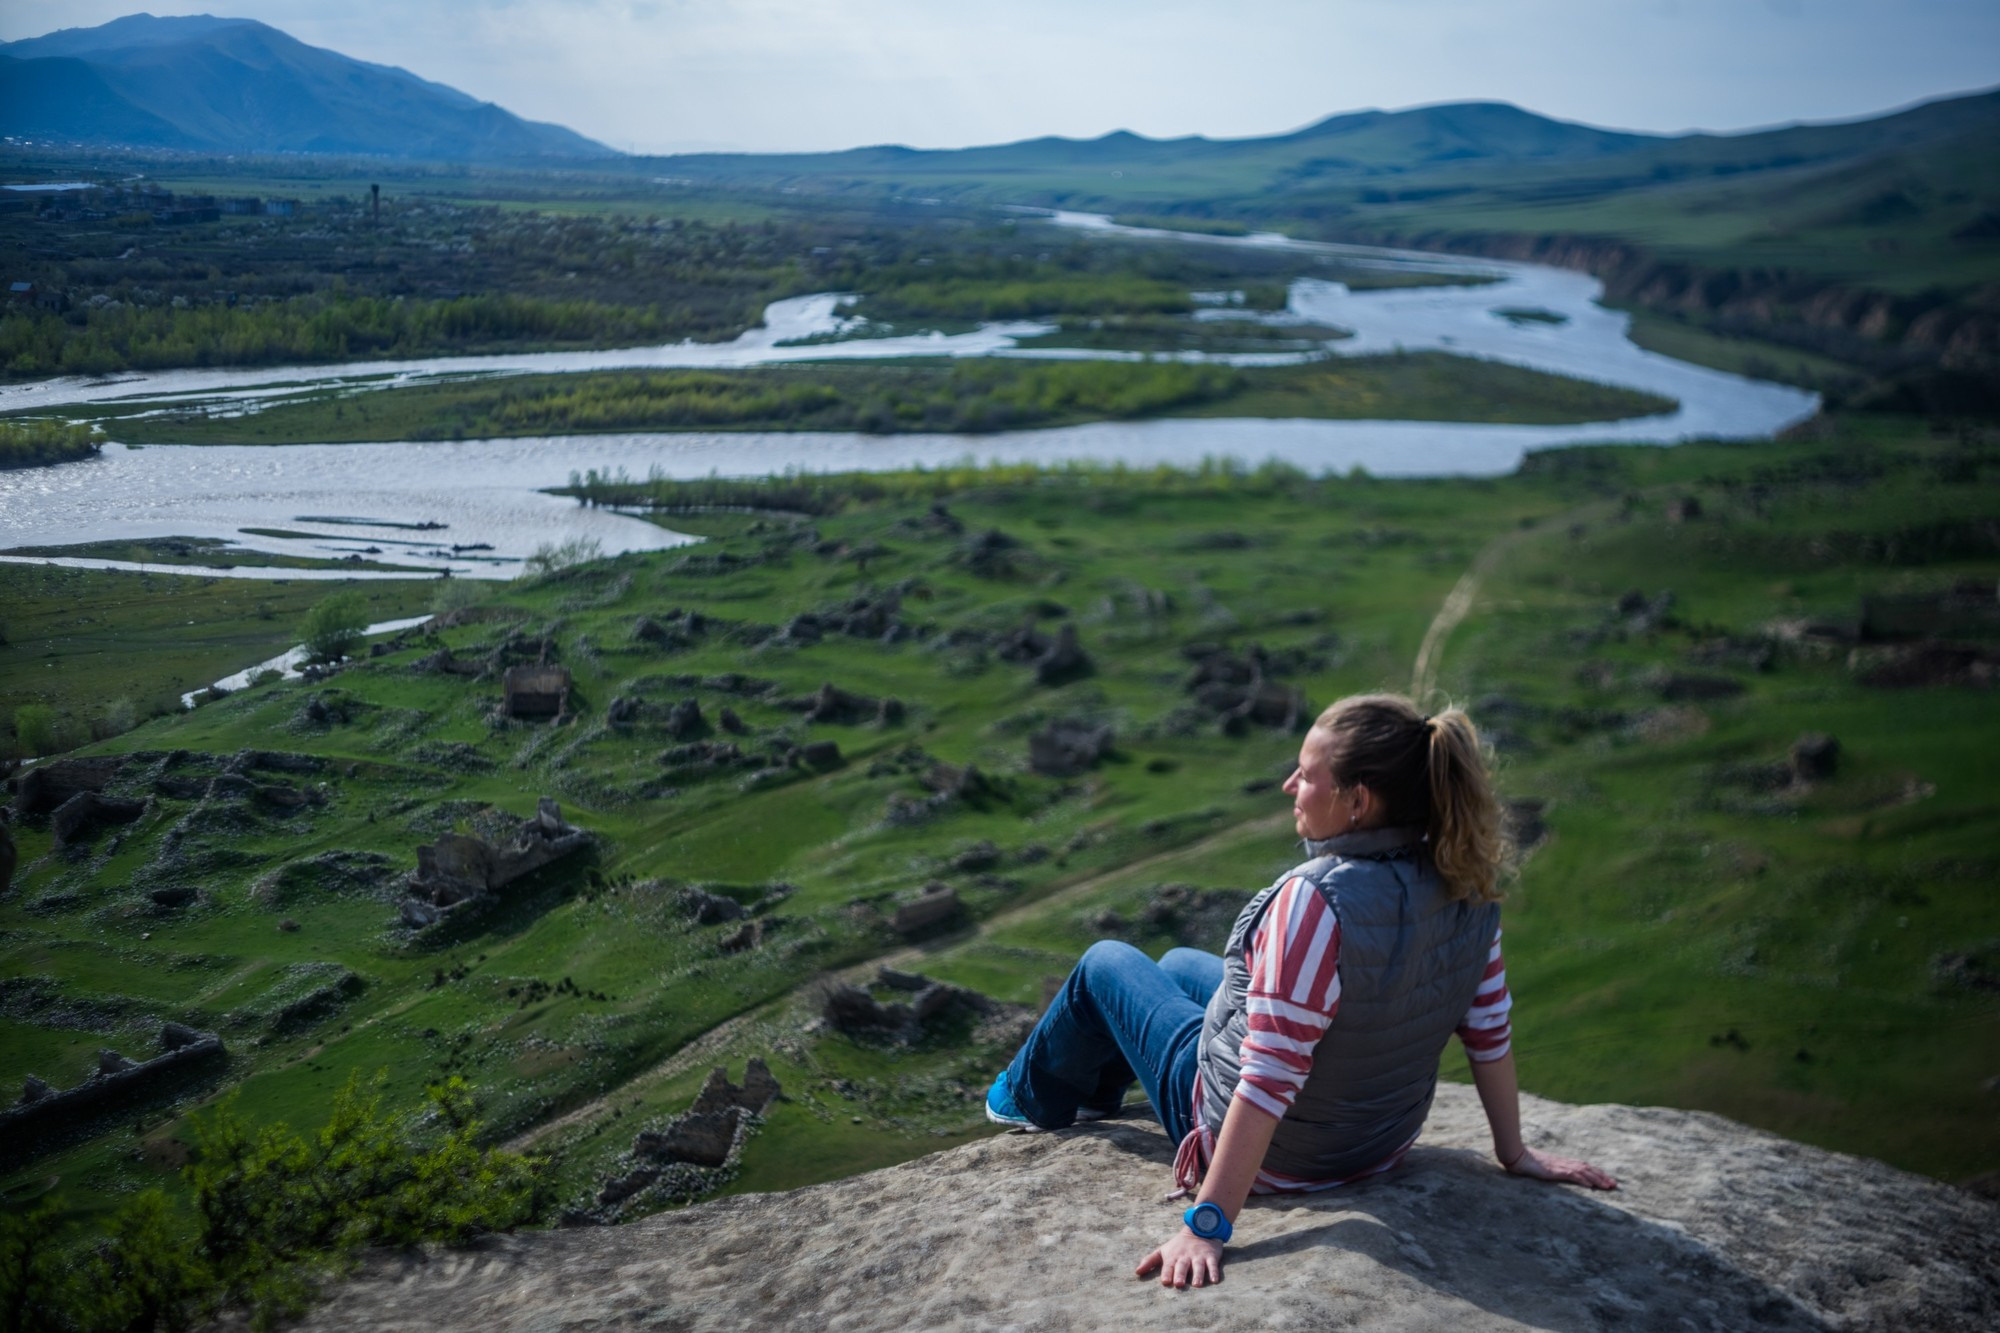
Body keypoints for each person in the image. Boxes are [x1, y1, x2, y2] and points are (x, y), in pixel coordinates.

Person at [983, 693, 1616, 1289]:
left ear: (1358, 802)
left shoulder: (1317, 900)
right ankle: (1097, 1089)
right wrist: (1515, 1153)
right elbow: (1489, 1032)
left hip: (1286, 1156)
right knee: (1178, 962)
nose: (1290, 785)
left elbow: (1267, 1078)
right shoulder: (1467, 883)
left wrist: (1207, 1227)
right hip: (1378, 1142)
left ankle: (1029, 1097)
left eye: (1307, 775)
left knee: (1106, 962)